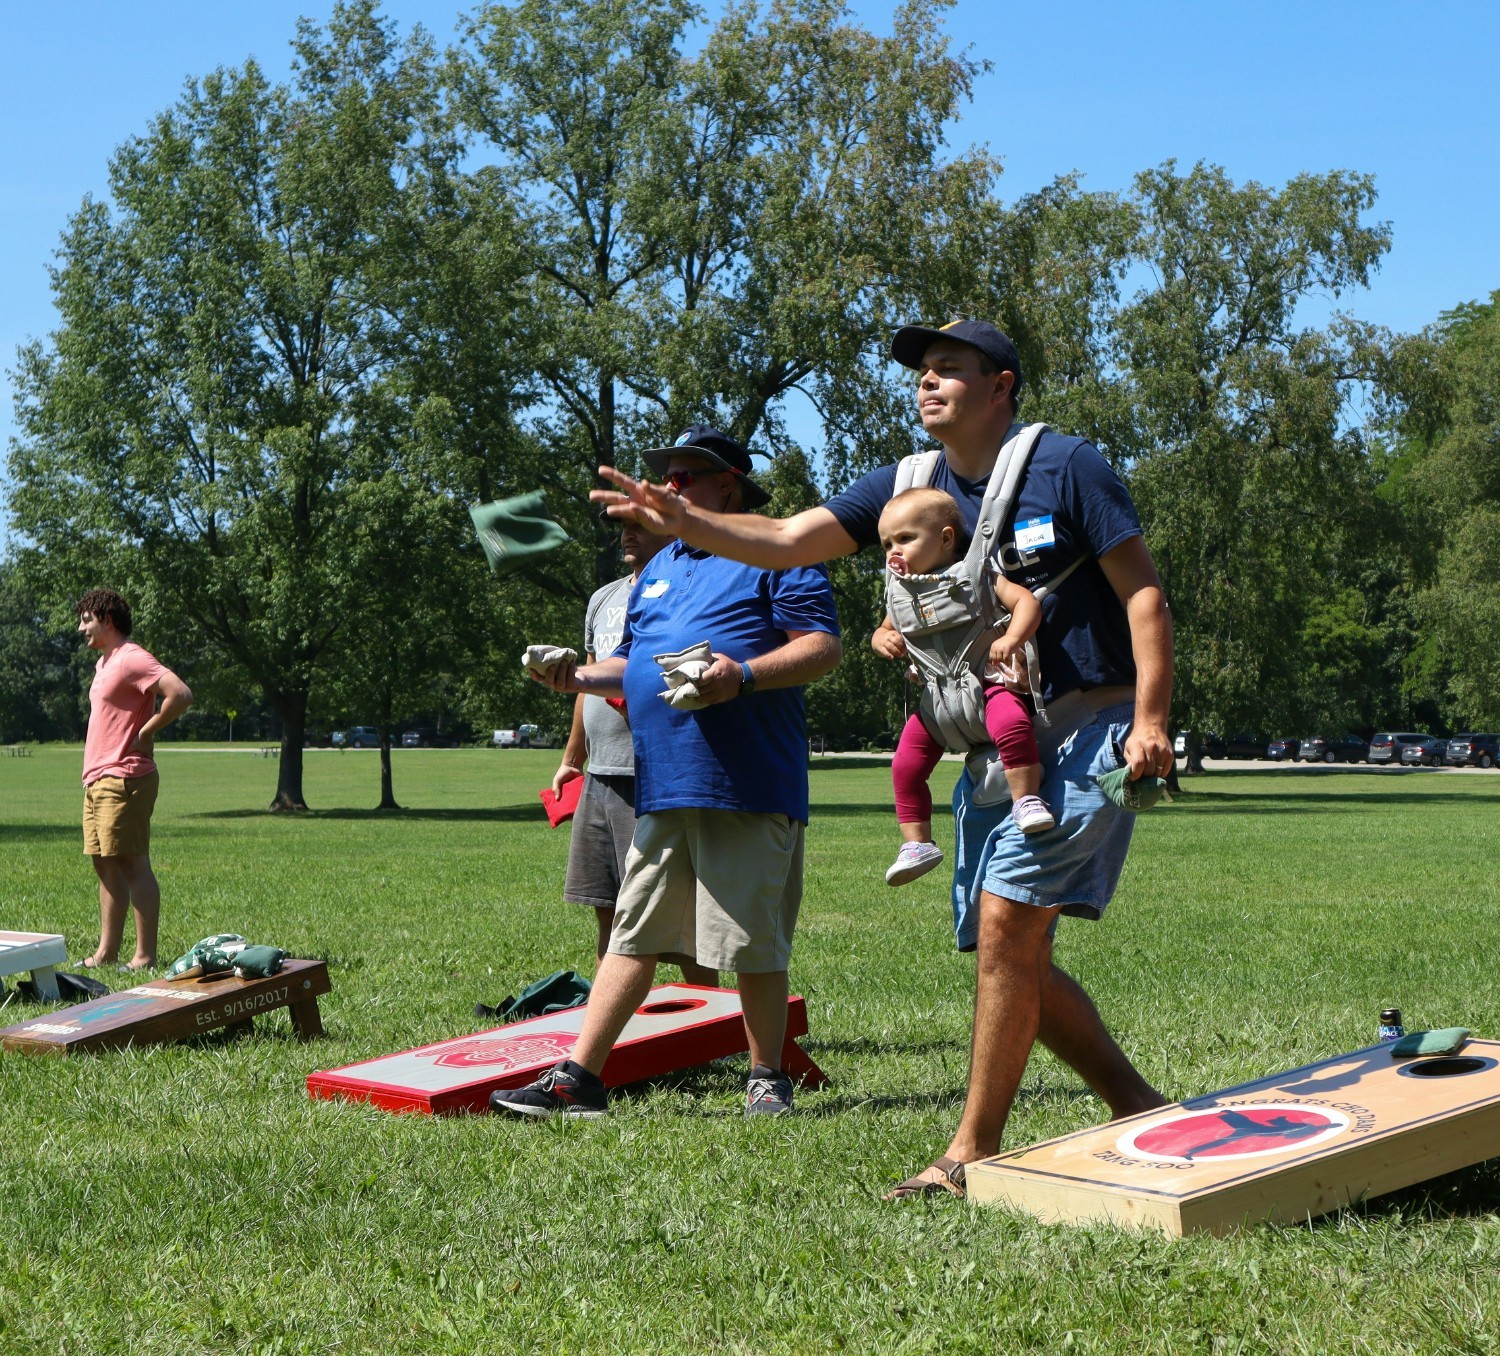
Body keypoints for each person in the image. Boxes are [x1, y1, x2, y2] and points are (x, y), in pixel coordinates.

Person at [592, 321, 1174, 1194]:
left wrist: (1153, 718)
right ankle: (1136, 1103)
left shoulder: (1066, 466)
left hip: (1089, 722)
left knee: (1010, 928)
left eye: (949, 370)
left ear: (1002, 384)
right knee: (1005, 945)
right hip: (983, 740)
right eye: (922, 372)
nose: (928, 383)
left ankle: (968, 1154)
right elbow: (790, 539)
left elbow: (1144, 593)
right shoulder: (906, 486)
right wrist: (692, 521)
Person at [493, 425, 841, 1119]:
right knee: (633, 934)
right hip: (664, 782)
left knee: (750, 940)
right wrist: (574, 677)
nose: (667, 488)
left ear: (727, 485)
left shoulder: (778, 551)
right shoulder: (659, 568)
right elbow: (629, 664)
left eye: (684, 477)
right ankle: (579, 1079)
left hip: (745, 782)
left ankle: (766, 1077)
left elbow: (823, 647)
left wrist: (740, 676)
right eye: (665, 477)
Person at [551, 519, 719, 987]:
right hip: (600, 775)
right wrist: (572, 758)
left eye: (641, 525)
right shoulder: (603, 598)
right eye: (623, 526)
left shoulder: (684, 591)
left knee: (676, 919)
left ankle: (711, 1025)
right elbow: (588, 681)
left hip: (650, 774)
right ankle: (614, 1028)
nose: (628, 534)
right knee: (607, 907)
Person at [871, 485, 1052, 889]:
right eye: (886, 544)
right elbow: (884, 629)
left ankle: (1025, 800)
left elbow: (1027, 604)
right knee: (905, 766)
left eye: (905, 539)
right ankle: (917, 843)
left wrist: (1011, 639)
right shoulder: (900, 595)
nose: (893, 552)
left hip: (986, 686)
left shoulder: (978, 576)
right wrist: (880, 640)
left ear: (946, 539)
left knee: (1013, 725)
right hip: (937, 701)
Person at [75, 588, 194, 971]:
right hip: (99, 778)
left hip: (125, 776)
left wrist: (148, 730)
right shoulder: (105, 664)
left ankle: (144, 956)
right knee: (104, 863)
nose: (81, 628)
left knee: (132, 862)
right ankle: (107, 953)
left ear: (107, 620)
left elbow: (180, 693)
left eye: (86, 620)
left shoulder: (131, 658)